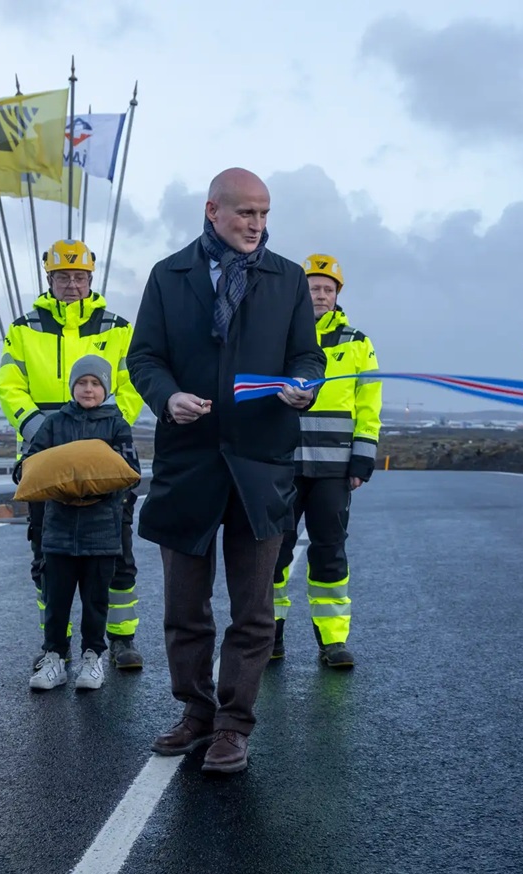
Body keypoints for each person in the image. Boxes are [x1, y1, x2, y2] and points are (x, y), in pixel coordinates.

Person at [126, 167, 327, 775]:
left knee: (253, 610)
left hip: (260, 465)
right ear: (213, 211)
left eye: (264, 214)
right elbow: (144, 357)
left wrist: (304, 386)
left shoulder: (288, 278)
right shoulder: (168, 275)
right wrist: (167, 398)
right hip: (188, 462)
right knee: (185, 608)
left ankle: (234, 725)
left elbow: (308, 356)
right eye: (246, 213)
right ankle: (196, 712)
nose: (257, 225)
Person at [0, 240, 146, 671]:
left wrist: (104, 430)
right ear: (49, 279)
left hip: (106, 462)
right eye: (62, 277)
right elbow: (10, 385)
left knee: (116, 554)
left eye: (79, 277)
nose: (71, 285)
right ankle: (56, 644)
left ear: (90, 279)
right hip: (45, 462)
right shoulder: (23, 328)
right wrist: (43, 433)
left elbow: (133, 384)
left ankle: (121, 640)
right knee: (48, 558)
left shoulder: (118, 328)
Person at [271, 253, 382, 667]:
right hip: (283, 465)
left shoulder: (357, 342)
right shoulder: (277, 335)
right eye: (313, 288)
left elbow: (369, 405)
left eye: (327, 289)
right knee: (274, 551)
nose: (320, 295)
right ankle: (270, 636)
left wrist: (362, 460)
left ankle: (333, 641)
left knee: (330, 551)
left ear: (337, 294)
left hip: (334, 469)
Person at [14, 355, 142, 693]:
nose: (88, 389)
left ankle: (92, 656)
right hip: (58, 528)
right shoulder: (54, 423)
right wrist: (24, 473)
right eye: (82, 383)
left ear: (106, 389)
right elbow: (32, 460)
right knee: (55, 599)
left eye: (95, 383)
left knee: (96, 600)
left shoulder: (117, 425)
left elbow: (131, 471)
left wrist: (105, 495)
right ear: (72, 387)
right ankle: (54, 657)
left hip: (102, 530)